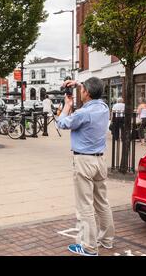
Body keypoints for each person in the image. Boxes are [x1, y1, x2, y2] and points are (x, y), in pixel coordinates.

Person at [57, 77, 115, 256]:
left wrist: (67, 105)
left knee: (85, 206)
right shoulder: (104, 107)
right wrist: (78, 84)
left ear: (87, 93)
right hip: (99, 161)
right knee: (102, 203)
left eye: (82, 90)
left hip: (84, 162)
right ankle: (106, 240)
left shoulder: (82, 113)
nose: (80, 91)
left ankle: (89, 247)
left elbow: (61, 123)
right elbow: (91, 92)